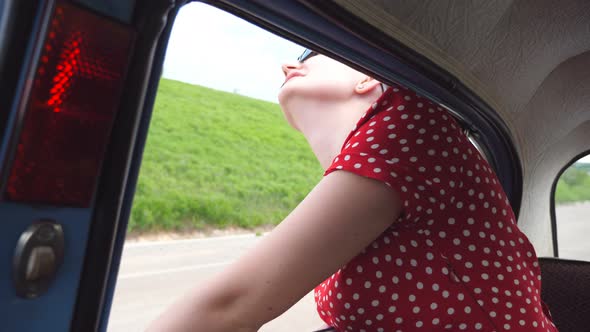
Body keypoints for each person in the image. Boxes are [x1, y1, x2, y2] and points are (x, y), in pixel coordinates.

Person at [146, 50, 558, 332]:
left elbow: (233, 306)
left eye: (313, 54)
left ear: (367, 75)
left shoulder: (412, 125)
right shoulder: (372, 171)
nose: (289, 63)